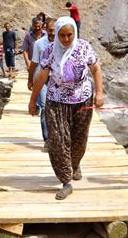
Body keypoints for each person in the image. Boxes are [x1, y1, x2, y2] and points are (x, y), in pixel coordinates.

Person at [28, 17, 104, 200]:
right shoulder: (49, 51)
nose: (66, 39)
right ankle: (65, 181)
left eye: (69, 35)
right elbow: (41, 76)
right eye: (62, 35)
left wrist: (99, 92)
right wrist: (32, 100)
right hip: (56, 100)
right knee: (59, 140)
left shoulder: (84, 47)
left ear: (75, 33)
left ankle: (75, 163)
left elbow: (96, 69)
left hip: (82, 99)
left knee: (79, 139)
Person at [28, 18, 56, 147]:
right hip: (42, 79)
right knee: (45, 107)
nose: (53, 33)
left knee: (56, 108)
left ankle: (57, 136)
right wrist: (30, 80)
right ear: (45, 29)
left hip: (57, 80)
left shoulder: (62, 42)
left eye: (55, 31)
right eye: (50, 30)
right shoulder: (39, 44)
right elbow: (33, 64)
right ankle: (47, 139)